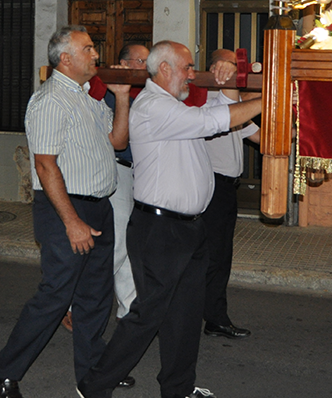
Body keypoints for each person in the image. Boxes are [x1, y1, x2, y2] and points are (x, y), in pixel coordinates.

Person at [76, 41, 261, 398]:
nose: (193, 74)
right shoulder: (152, 107)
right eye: (187, 67)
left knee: (186, 315)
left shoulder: (177, 103)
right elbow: (213, 120)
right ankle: (95, 384)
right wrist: (270, 98)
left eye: (194, 68)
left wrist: (226, 81)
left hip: (189, 226)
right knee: (149, 315)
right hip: (160, 229)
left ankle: (178, 388)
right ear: (164, 70)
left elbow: (215, 111)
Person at [0, 26, 131, 398]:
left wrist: (123, 98)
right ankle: (4, 369)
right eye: (88, 49)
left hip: (99, 208)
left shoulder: (87, 96)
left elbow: (117, 141)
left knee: (97, 296)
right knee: (55, 297)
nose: (96, 55)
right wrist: (72, 222)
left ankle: (92, 373)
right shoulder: (50, 99)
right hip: (67, 209)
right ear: (65, 59)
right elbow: (45, 165)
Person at [85, 43, 149, 321]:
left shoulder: (146, 91)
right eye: (141, 61)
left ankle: (129, 308)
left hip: (139, 172)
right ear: (125, 63)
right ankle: (81, 298)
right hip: (116, 168)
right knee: (120, 240)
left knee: (130, 243)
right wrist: (114, 80)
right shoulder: (105, 87)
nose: (147, 67)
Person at [201, 49, 260, 340]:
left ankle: (214, 317)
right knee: (211, 256)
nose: (235, 73)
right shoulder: (209, 103)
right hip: (211, 186)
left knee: (220, 256)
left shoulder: (233, 106)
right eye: (230, 67)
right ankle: (209, 316)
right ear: (215, 69)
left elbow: (261, 137)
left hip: (226, 189)